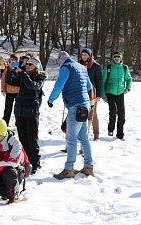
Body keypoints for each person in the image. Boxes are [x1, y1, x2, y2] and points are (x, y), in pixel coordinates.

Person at [48, 51, 94, 180]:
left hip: (75, 105)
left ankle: (69, 169)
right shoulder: (80, 67)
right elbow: (89, 86)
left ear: (61, 60)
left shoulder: (66, 67)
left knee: (71, 138)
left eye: (58, 61)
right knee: (84, 137)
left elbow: (59, 85)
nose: (59, 64)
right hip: (85, 105)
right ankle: (88, 167)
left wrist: (51, 100)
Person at [6, 57, 46, 175]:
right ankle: (26, 161)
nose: (27, 66)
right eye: (26, 64)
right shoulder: (23, 75)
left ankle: (35, 163)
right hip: (20, 111)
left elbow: (33, 86)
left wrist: (22, 73)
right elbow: (11, 82)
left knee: (32, 140)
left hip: (32, 112)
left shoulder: (40, 77)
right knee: (23, 139)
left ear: (36, 67)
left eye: (30, 64)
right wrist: (10, 71)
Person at [102, 51, 132, 140]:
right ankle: (110, 130)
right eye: (115, 57)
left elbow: (129, 79)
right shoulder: (108, 67)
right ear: (113, 58)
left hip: (120, 93)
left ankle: (120, 134)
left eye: (118, 57)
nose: (116, 58)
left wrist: (128, 88)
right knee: (113, 111)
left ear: (121, 58)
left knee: (122, 114)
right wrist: (103, 95)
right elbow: (102, 82)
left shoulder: (125, 67)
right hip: (110, 93)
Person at [80, 48, 102, 140]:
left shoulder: (96, 66)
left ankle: (96, 134)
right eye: (82, 54)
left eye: (86, 54)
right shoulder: (79, 65)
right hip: (81, 93)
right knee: (82, 112)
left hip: (93, 94)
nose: (84, 56)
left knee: (93, 114)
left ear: (90, 55)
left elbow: (100, 81)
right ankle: (81, 133)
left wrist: (99, 95)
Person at [1, 53, 20, 126]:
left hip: (18, 91)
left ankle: (18, 122)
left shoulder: (20, 68)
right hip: (9, 91)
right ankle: (5, 122)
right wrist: (3, 89)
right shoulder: (8, 68)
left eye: (14, 60)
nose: (12, 61)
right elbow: (3, 79)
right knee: (7, 109)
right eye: (11, 60)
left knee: (18, 109)